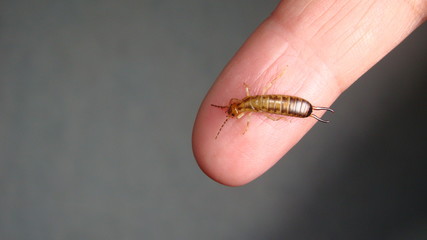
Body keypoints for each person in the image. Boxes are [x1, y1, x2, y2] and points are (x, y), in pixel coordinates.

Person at [192, 0, 426, 186]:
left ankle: (313, 112)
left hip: (286, 105)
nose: (233, 109)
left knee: (277, 111)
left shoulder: (248, 106)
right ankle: (312, 112)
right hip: (286, 104)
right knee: (278, 110)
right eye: (232, 111)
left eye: (232, 110)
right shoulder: (249, 100)